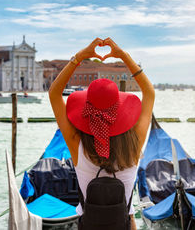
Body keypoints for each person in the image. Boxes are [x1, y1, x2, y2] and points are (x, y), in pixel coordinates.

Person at [49, 37, 155, 229]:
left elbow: (54, 93)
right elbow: (149, 92)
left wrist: (79, 57)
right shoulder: (134, 145)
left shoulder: (77, 145)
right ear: (120, 111)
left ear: (87, 110)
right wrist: (124, 56)